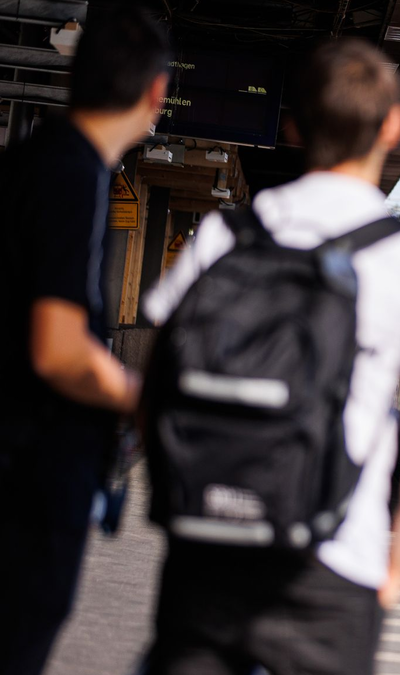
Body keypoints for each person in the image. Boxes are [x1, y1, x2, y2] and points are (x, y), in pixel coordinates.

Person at [139, 38, 400, 675]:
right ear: (393, 126)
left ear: (292, 124)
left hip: (207, 558)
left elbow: (158, 386)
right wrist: (396, 566)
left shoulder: (225, 234)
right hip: (332, 566)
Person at [0, 11, 168, 675]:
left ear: (73, 74)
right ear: (156, 93)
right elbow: (60, 349)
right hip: (27, 481)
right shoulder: (73, 175)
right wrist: (145, 398)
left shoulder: (26, 163)